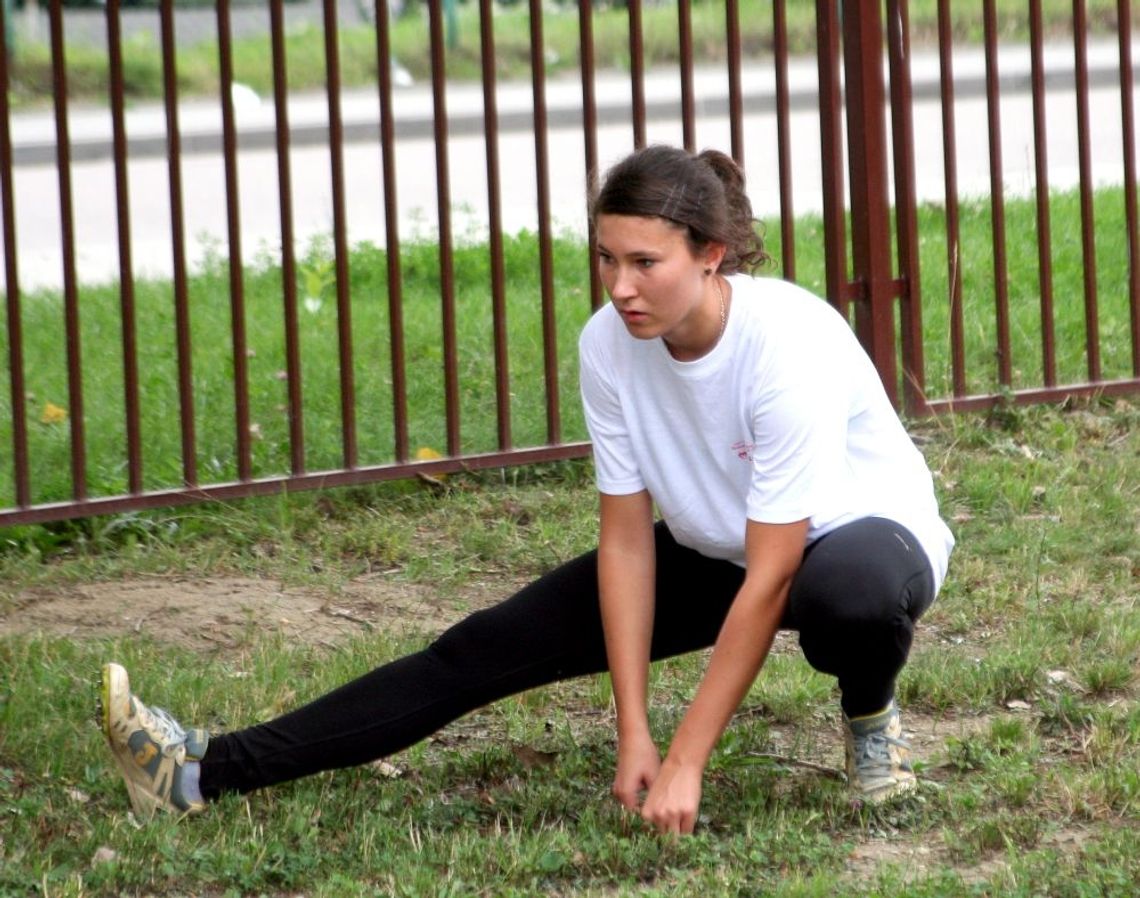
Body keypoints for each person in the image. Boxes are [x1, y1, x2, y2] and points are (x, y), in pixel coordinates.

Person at [101, 145, 953, 835]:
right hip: (718, 549)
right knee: (476, 650)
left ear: (711, 253)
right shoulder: (610, 343)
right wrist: (635, 731)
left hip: (855, 538)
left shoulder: (786, 342)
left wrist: (688, 755)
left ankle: (871, 722)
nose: (621, 287)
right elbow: (626, 541)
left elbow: (775, 574)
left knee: (851, 596)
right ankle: (200, 770)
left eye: (646, 263)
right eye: (607, 259)